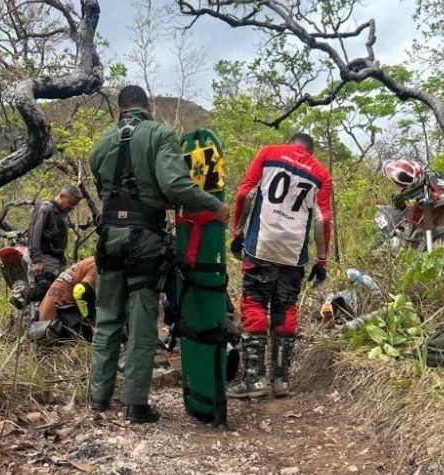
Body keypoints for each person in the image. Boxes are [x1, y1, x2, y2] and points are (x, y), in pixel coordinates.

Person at [88, 84, 229, 424]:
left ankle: (99, 398)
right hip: (143, 237)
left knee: (107, 317)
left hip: (108, 235)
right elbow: (175, 185)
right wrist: (215, 206)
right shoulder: (159, 134)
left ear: (120, 108)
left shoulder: (101, 144)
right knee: (140, 319)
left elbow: (109, 190)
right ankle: (136, 404)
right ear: (146, 105)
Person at [228, 132, 332, 399]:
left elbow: (245, 194)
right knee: (285, 308)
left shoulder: (268, 153)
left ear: (291, 144)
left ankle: (254, 380)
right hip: (293, 253)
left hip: (261, 246)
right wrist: (322, 260)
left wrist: (237, 233)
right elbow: (322, 220)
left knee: (254, 303)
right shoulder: (321, 174)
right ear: (310, 151)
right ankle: (281, 381)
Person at [16, 185, 83, 309]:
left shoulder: (61, 214)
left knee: (55, 297)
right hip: (42, 260)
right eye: (71, 203)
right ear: (62, 196)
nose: (72, 208)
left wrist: (63, 263)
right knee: (44, 294)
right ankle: (21, 296)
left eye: (75, 205)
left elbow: (59, 242)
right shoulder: (45, 208)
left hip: (55, 263)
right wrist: (37, 260)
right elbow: (34, 233)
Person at [32, 255, 97, 336]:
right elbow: (80, 292)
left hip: (42, 324)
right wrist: (92, 323)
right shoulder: (96, 265)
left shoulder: (88, 261)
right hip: (57, 325)